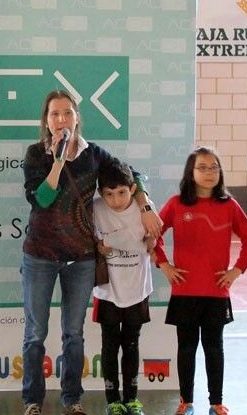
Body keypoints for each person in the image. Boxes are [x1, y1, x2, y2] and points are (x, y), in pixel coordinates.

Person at [21, 90, 162, 415]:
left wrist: (145, 205)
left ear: (77, 118)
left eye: (68, 113)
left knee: (73, 333)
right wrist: (58, 162)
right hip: (40, 257)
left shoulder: (93, 154)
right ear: (46, 120)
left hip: (81, 259)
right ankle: (32, 401)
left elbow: (131, 175)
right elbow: (41, 200)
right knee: (36, 333)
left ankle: (72, 400)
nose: (62, 120)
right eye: (55, 114)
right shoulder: (35, 154)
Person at [154, 146, 247, 415]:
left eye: (214, 167)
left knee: (214, 348)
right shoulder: (176, 204)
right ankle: (186, 402)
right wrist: (163, 264)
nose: (209, 172)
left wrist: (237, 270)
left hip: (216, 293)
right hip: (185, 293)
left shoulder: (229, 205)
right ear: (191, 172)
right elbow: (153, 234)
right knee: (187, 348)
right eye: (202, 167)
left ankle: (216, 402)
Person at [91, 158, 156, 415]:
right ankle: (112, 401)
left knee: (131, 343)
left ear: (133, 189)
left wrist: (113, 241)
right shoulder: (95, 209)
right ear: (100, 193)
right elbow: (92, 242)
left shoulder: (146, 210)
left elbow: (149, 244)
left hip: (137, 289)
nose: (116, 200)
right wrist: (103, 246)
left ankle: (131, 399)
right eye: (109, 194)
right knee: (109, 345)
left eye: (121, 193)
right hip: (108, 291)